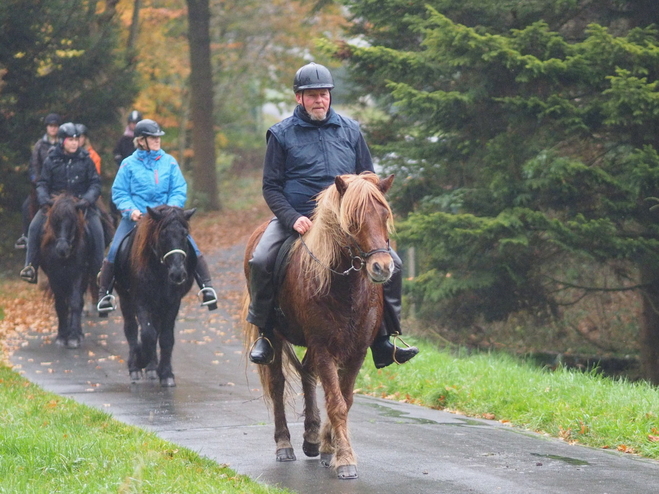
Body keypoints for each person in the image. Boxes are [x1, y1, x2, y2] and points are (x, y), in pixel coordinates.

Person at [247, 62, 419, 368]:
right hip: (300, 220)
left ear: (330, 95)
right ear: (299, 98)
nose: (319, 100)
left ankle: (384, 339)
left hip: (345, 224)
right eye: (312, 95)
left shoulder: (350, 129)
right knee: (261, 260)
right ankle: (266, 335)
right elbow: (271, 187)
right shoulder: (280, 134)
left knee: (394, 263)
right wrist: (291, 218)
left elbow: (368, 178)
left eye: (324, 94)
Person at [97, 118, 218, 314]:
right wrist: (131, 211)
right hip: (137, 217)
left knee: (191, 247)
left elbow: (179, 188)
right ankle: (105, 294)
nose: (157, 140)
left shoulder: (169, 162)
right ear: (141, 141)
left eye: (158, 137)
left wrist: (171, 210)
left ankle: (207, 287)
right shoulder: (128, 165)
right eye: (153, 138)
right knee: (115, 249)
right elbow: (119, 193)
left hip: (166, 218)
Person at [19, 122, 104, 285]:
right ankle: (30, 266)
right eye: (70, 140)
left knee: (98, 230)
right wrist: (44, 199)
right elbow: (42, 183)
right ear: (62, 141)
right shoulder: (51, 160)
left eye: (76, 140)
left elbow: (95, 183)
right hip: (55, 207)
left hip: (80, 205)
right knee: (34, 227)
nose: (74, 143)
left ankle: (100, 271)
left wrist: (87, 199)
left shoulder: (86, 159)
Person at [15, 113, 61, 249]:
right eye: (50, 126)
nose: (53, 129)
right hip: (42, 184)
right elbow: (34, 165)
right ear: (47, 128)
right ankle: (25, 236)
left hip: (60, 185)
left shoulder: (64, 144)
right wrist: (36, 179)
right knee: (26, 206)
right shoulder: (39, 145)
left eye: (55, 126)